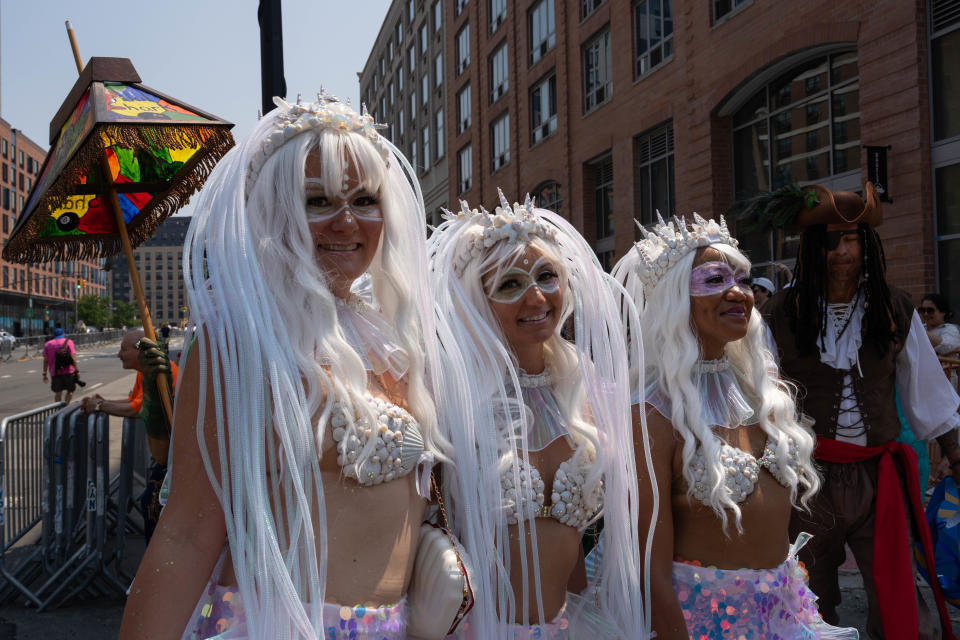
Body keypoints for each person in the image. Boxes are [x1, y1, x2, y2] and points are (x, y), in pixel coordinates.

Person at [119, 93, 455, 640]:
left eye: (365, 199)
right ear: (277, 211)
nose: (346, 222)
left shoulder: (394, 338)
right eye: (317, 200)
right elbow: (185, 532)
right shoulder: (242, 339)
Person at [610, 214, 853, 639]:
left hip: (785, 617)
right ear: (672, 298)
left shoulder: (762, 392)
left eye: (742, 278)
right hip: (705, 625)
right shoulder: (652, 413)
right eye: (715, 279)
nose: (738, 292)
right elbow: (647, 562)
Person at [428, 193, 646, 639]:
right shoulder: (452, 401)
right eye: (510, 284)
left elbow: (568, 547)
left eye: (547, 276)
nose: (537, 297)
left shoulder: (583, 392)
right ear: (476, 301)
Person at [757, 183, 960, 639]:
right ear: (813, 248)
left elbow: (929, 394)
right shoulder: (780, 313)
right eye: (831, 241)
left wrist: (957, 457)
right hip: (807, 480)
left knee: (898, 596)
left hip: (879, 481)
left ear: (866, 244)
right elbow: (757, 400)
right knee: (810, 598)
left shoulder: (894, 309)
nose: (842, 251)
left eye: (852, 239)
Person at [81, 329, 179, 543]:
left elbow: (139, 409)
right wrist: (103, 405)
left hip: (174, 455)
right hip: (166, 455)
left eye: (123, 349)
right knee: (149, 503)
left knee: (153, 504)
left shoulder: (159, 373)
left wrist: (101, 405)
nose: (119, 354)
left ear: (139, 350)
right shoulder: (144, 373)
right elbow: (135, 403)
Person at [42, 327, 76, 403]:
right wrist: (76, 370)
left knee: (58, 393)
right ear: (63, 334)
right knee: (70, 391)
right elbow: (73, 358)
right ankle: (65, 407)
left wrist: (44, 373)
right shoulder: (69, 342)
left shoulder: (48, 344)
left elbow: (46, 360)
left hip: (55, 372)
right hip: (68, 371)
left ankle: (59, 411)